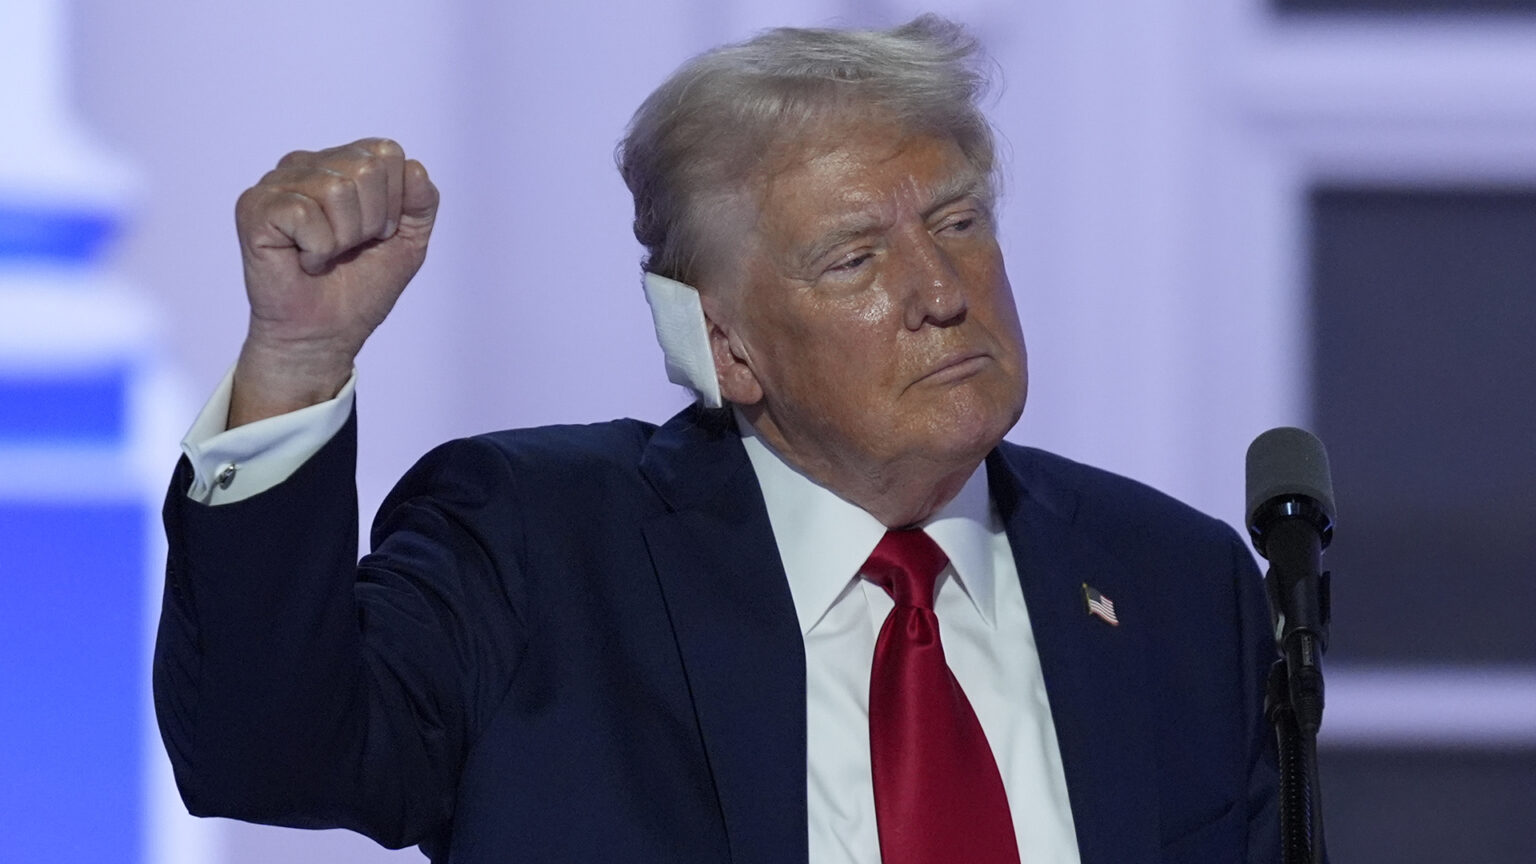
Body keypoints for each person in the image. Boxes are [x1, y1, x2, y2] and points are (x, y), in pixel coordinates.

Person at [154, 15, 1280, 864]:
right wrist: (298, 361)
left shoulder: (1176, 583)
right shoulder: (539, 550)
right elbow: (264, 750)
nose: (941, 291)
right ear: (728, 347)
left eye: (958, 223)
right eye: (854, 258)